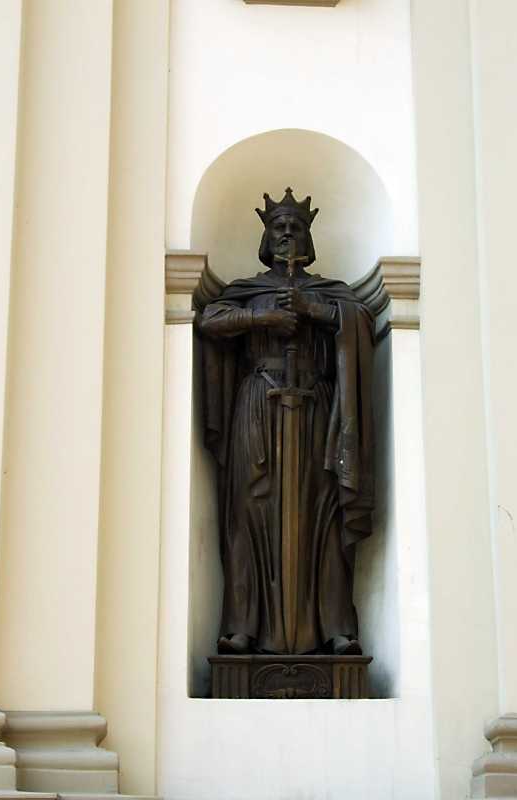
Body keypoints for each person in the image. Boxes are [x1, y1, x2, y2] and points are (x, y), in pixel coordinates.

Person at [200, 188, 374, 656]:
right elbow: (209, 320)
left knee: (324, 507)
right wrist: (264, 318)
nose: (287, 234)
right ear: (265, 237)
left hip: (316, 407)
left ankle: (335, 627)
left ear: (308, 239)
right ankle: (243, 625)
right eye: (279, 227)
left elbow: (361, 321)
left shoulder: (330, 292)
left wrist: (313, 311)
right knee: (248, 509)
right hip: (259, 404)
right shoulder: (248, 291)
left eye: (296, 227)